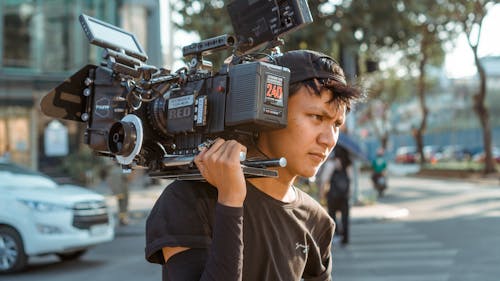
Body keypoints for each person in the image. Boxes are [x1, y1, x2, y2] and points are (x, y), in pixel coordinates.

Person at [145, 50, 364, 280]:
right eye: (316, 117)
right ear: (269, 113)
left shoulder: (317, 220)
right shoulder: (190, 200)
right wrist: (230, 202)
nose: (328, 140)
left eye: (337, 124)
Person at [326, 145, 352, 245]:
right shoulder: (348, 163)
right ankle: (345, 238)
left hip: (333, 194)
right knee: (345, 217)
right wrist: (349, 192)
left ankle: (336, 235)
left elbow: (326, 178)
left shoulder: (332, 163)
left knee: (332, 216)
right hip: (344, 194)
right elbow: (350, 179)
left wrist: (322, 192)